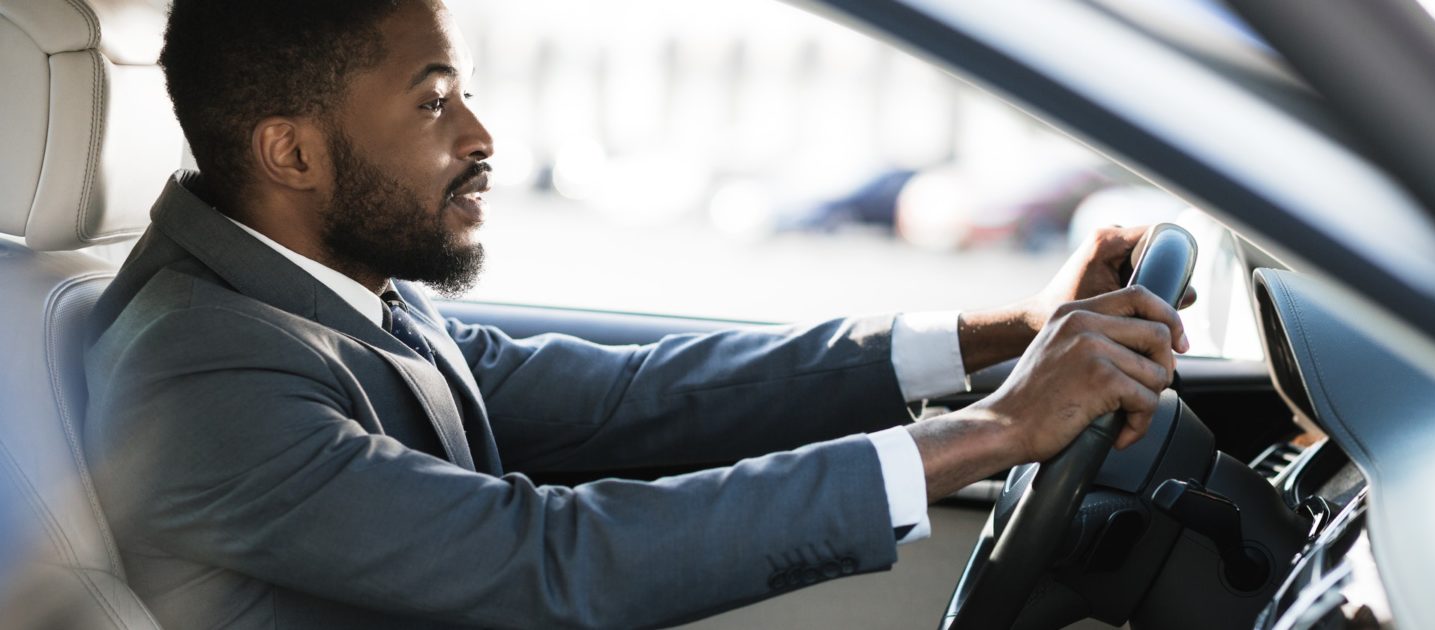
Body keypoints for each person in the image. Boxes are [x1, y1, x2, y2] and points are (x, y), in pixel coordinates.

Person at [82, 1, 1189, 628]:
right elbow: (551, 561)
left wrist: (1006, 335)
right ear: (291, 151)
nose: (479, 135)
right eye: (432, 101)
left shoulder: (326, 299)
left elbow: (638, 394)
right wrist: (994, 433)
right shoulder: (202, 372)